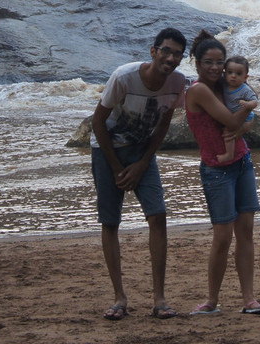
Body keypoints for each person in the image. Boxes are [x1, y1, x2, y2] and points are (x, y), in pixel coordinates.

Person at [91, 28, 188, 321]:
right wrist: (119, 169)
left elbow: (163, 126)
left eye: (177, 54)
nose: (170, 58)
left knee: (158, 216)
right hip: (107, 150)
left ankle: (159, 299)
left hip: (143, 152)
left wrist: (143, 164)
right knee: (110, 222)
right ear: (153, 51)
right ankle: (119, 298)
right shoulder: (124, 77)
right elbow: (97, 123)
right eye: (166, 51)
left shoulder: (177, 82)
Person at [184, 30, 260, 315]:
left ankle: (249, 298)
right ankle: (211, 301)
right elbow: (234, 120)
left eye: (219, 62)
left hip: (242, 162)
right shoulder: (198, 90)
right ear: (196, 64)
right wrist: (246, 116)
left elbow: (249, 105)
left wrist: (246, 119)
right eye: (208, 62)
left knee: (245, 232)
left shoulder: (227, 84)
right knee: (222, 237)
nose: (215, 67)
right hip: (217, 171)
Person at [217, 55, 258, 165]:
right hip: (232, 114)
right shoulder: (224, 85)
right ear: (224, 73)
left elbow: (255, 100)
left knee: (228, 131)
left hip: (245, 116)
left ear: (245, 77)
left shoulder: (245, 89)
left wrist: (248, 105)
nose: (233, 76)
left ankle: (229, 154)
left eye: (238, 74)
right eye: (230, 72)